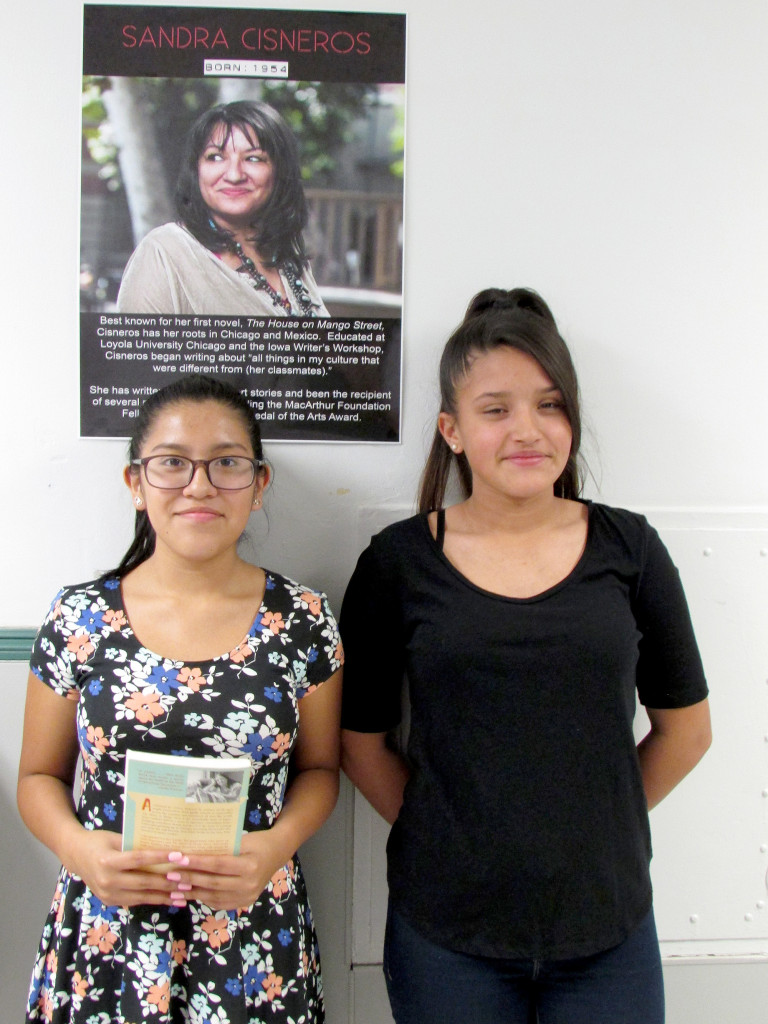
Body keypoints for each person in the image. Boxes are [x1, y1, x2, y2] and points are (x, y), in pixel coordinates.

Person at [339, 288, 711, 1024]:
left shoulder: (629, 549)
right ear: (451, 428)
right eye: (496, 409)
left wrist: (591, 825)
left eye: (550, 405)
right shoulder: (397, 563)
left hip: (607, 928)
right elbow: (360, 742)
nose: (528, 430)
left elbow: (686, 731)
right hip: (446, 933)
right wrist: (445, 832)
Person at [18, 374, 342, 1023]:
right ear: (136, 483)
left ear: (259, 484)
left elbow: (320, 771)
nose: (199, 485)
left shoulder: (303, 621)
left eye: (227, 463)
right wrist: (81, 852)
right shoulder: (80, 618)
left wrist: (273, 849)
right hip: (108, 928)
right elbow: (36, 777)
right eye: (172, 463)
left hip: (251, 929)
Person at [117, 101, 328, 317]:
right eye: (216, 157)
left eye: (253, 158)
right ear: (196, 170)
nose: (234, 175)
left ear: (279, 172)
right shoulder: (165, 253)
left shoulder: (287, 256)